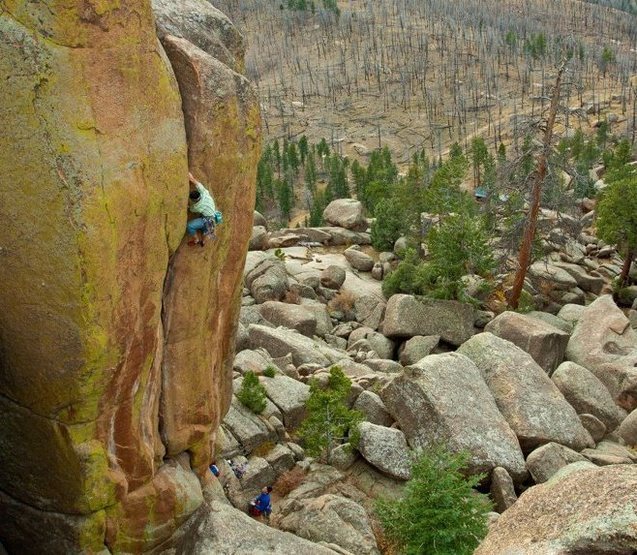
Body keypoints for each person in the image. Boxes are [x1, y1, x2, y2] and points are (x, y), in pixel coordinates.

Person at [186, 172, 222, 246]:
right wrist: (191, 177)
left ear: (193, 200)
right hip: (213, 217)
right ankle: (203, 242)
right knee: (206, 231)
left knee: (190, 226)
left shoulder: (197, 206)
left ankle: (196, 240)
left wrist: (187, 207)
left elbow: (191, 209)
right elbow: (196, 183)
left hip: (207, 219)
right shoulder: (205, 193)